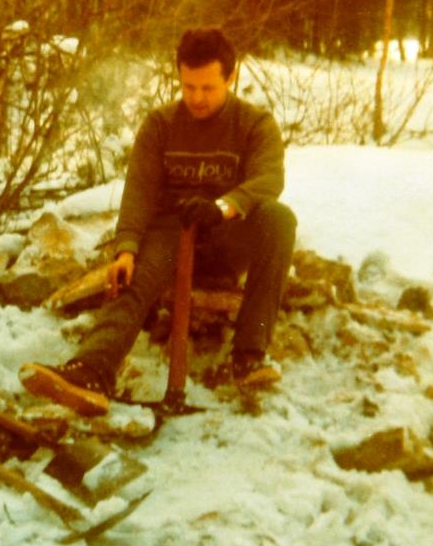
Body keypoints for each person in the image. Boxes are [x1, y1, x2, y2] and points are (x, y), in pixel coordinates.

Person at [20, 27, 297, 415]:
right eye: (188, 87)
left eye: (208, 88)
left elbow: (270, 180)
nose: (197, 98)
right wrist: (127, 249)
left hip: (227, 235)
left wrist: (223, 207)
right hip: (170, 234)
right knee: (132, 277)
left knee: (279, 219)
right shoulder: (160, 125)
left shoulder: (254, 123)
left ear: (230, 78)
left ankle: (249, 355)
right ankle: (91, 369)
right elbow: (138, 192)